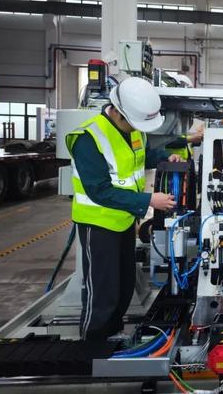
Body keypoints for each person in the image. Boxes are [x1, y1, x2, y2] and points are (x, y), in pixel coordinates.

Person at [66, 77, 181, 340]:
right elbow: (99, 190)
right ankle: (93, 342)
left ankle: (113, 334)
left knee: (124, 285)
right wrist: (148, 201)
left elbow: (139, 158)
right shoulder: (88, 138)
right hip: (98, 223)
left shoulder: (133, 130)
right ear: (117, 111)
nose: (137, 128)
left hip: (124, 220)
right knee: (102, 290)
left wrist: (165, 157)